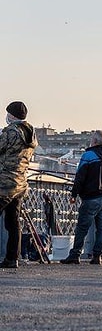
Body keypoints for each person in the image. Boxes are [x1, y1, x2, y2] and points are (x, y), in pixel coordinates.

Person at [60, 130, 102, 265]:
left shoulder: (88, 155)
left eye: (91, 139)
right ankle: (97, 256)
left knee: (82, 227)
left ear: (95, 141)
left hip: (91, 197)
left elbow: (80, 177)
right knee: (101, 227)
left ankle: (75, 254)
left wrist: (74, 194)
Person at [0, 101, 37, 268]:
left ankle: (10, 258)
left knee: (12, 221)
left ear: (12, 115)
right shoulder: (31, 134)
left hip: (5, 183)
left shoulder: (10, 132)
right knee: (13, 222)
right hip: (21, 183)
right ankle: (12, 258)